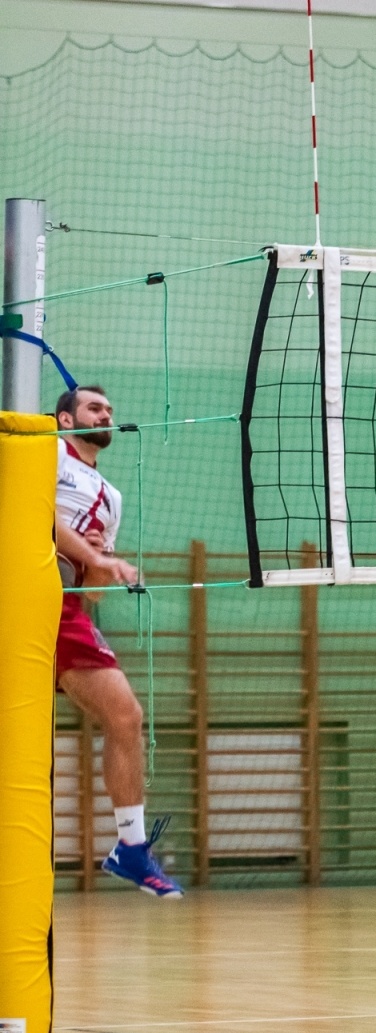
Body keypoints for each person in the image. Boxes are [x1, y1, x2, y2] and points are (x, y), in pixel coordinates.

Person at [53, 385, 182, 898]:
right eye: (93, 407)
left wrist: (104, 569)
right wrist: (98, 557)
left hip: (66, 609)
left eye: (109, 408)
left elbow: (94, 592)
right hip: (23, 588)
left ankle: (130, 848)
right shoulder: (45, 453)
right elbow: (38, 514)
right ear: (66, 419)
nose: (105, 414)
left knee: (126, 716)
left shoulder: (113, 498)